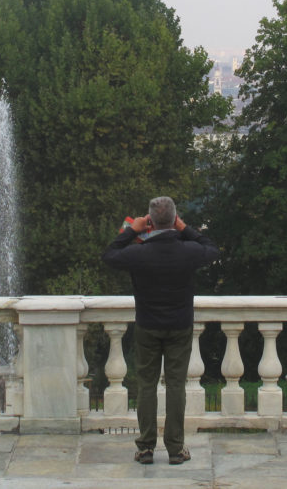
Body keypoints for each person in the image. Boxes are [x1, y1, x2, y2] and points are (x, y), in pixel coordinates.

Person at [102, 196, 219, 466]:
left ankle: (145, 447)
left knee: (147, 386)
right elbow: (212, 248)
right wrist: (184, 228)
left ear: (150, 222)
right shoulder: (188, 250)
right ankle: (176, 449)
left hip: (147, 325)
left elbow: (109, 255)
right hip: (180, 325)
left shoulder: (138, 253)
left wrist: (132, 230)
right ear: (174, 220)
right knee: (176, 386)